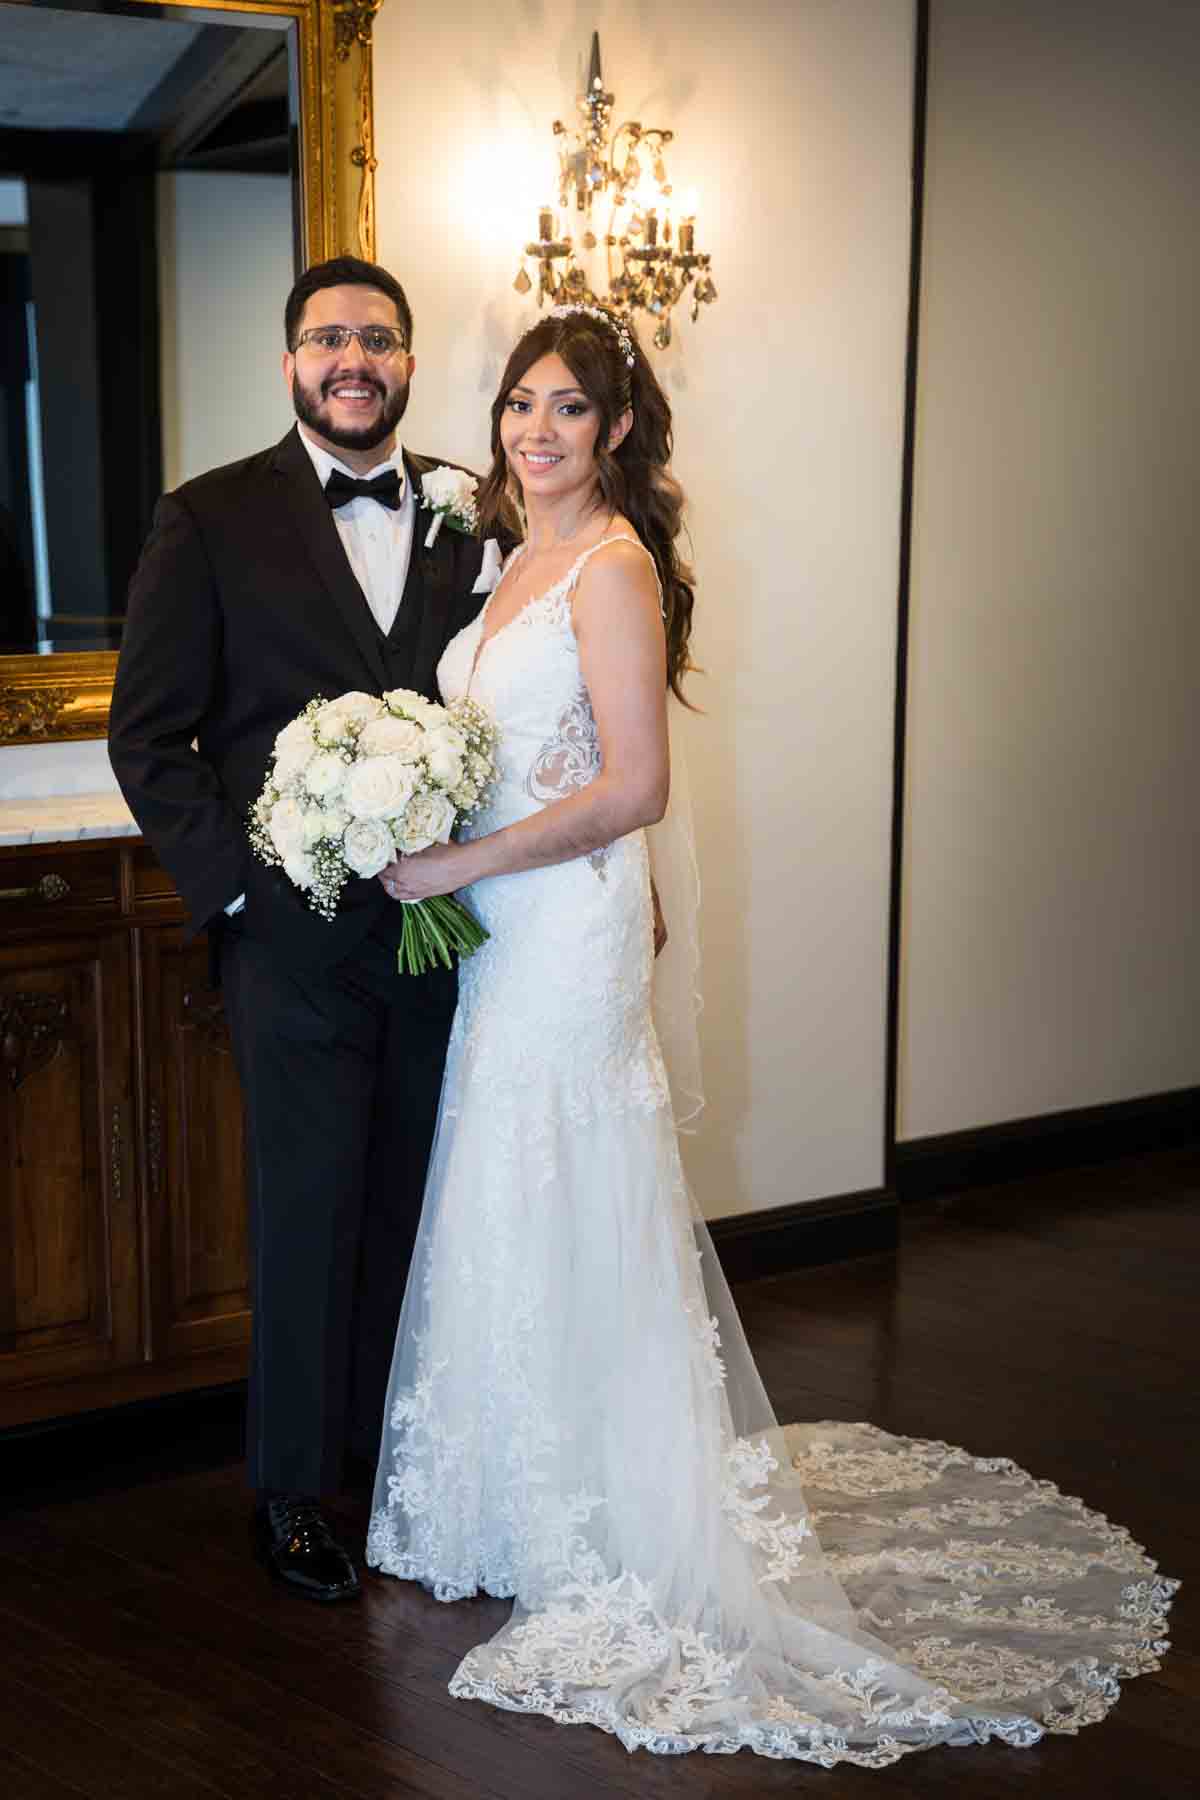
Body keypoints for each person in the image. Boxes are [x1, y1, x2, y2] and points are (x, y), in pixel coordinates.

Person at [364, 304, 1179, 1764]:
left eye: (566, 409)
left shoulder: (610, 570)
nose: (535, 432)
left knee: (576, 1186)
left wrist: (455, 865)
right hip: (512, 939)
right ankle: (511, 1496)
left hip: (561, 923)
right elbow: (505, 754)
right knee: (511, 1185)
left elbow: (635, 791)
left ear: (614, 430)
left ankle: (611, 1514)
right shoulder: (505, 564)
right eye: (519, 406)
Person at [109, 256, 499, 1603]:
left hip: (447, 938)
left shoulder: (470, 508)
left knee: (419, 1206)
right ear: (290, 363)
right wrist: (236, 898)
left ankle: (401, 1467)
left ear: (407, 361)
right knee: (307, 1211)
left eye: (379, 340)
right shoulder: (208, 516)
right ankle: (287, 1496)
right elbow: (152, 736)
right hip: (288, 941)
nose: (355, 360)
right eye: (329, 338)